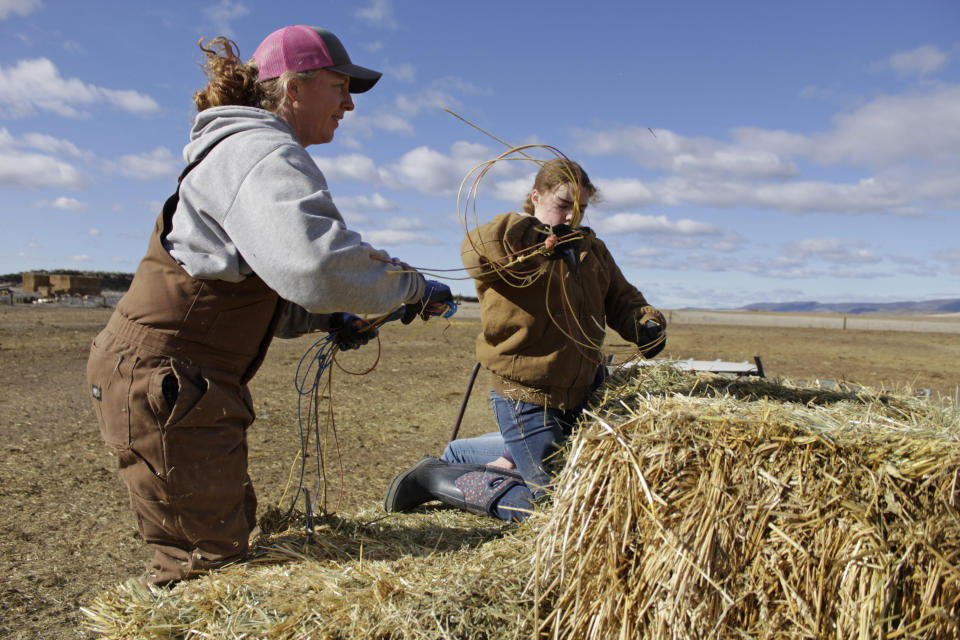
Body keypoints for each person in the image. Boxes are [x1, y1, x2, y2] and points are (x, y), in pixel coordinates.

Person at [86, 25, 452, 586]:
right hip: (168, 376)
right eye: (340, 86)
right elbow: (317, 266)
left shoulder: (244, 150)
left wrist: (330, 317)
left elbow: (250, 290)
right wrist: (411, 286)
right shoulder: (261, 150)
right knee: (201, 564)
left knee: (217, 541)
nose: (350, 104)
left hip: (176, 376)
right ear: (294, 87)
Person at [384, 158, 665, 522]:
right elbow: (476, 248)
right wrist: (535, 238)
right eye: (563, 205)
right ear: (536, 196)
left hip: (584, 390)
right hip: (527, 398)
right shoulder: (513, 240)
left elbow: (622, 299)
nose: (570, 218)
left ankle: (460, 455)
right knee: (552, 510)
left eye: (580, 209)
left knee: (595, 483)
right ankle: (432, 477)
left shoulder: (591, 250)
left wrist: (644, 323)